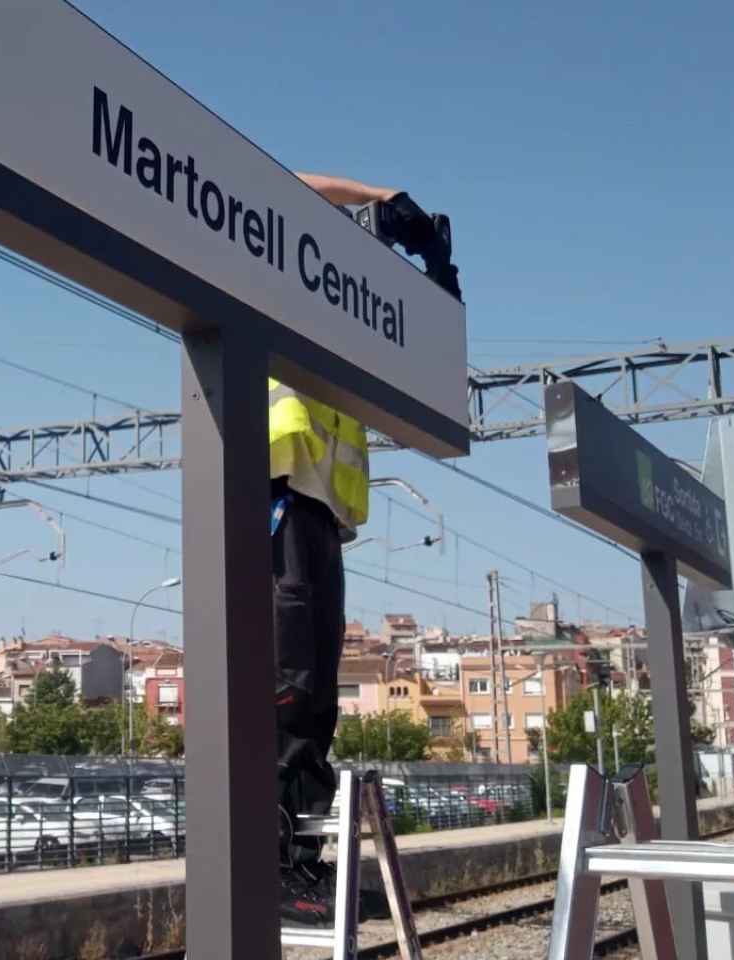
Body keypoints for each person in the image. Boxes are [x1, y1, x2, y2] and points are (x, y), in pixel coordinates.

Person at [274, 172, 446, 926]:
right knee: (286, 691)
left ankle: (303, 866)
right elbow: (281, 186)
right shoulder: (271, 259)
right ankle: (275, 866)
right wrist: (382, 196)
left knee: (314, 704)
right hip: (272, 496)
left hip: (319, 516)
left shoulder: (342, 316)